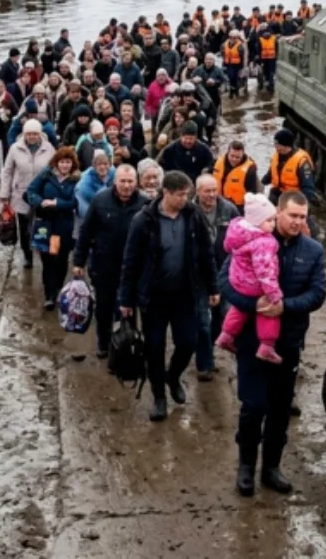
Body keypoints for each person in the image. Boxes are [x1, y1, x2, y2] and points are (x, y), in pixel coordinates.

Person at [119, 171, 217, 422]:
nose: (186, 199)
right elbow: (130, 261)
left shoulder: (194, 217)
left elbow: (206, 253)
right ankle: (159, 396)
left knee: (188, 342)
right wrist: (126, 299)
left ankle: (173, 376)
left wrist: (213, 287)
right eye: (181, 195)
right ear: (167, 193)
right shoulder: (145, 220)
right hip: (154, 297)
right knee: (154, 348)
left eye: (187, 194)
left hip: (185, 294)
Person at [74, 165, 146, 358]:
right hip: (103, 265)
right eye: (122, 181)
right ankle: (104, 344)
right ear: (115, 181)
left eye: (130, 181)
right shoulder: (100, 200)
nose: (126, 185)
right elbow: (85, 232)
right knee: (104, 309)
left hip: (132, 268)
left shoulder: (145, 204)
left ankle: (127, 345)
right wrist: (78, 261)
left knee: (128, 308)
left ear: (136, 182)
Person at [216, 194, 285, 364]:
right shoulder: (264, 242)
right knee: (268, 310)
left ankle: (225, 336)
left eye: (273, 220)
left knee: (239, 309)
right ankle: (266, 347)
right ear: (256, 221)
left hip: (238, 281)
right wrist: (273, 295)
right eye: (269, 221)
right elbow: (265, 272)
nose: (273, 224)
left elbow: (227, 248)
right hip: (255, 285)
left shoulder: (238, 231)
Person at [194, 174, 239, 379]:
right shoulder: (190, 211)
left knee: (222, 316)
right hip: (199, 275)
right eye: (207, 191)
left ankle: (210, 348)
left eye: (214, 190)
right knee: (202, 321)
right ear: (197, 192)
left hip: (224, 274)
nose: (212, 195)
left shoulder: (228, 210)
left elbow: (240, 236)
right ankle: (205, 364)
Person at [26, 147, 82, 310]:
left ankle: (58, 288)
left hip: (64, 226)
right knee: (48, 261)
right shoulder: (46, 175)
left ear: (72, 164)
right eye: (62, 162)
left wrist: (57, 203)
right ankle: (49, 295)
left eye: (68, 162)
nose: (65, 165)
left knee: (61, 260)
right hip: (46, 224)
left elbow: (74, 202)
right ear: (56, 163)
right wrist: (40, 202)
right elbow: (31, 191)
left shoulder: (77, 180)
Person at [0, 120, 57, 269]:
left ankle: (42, 251)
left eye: (35, 134)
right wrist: (4, 195)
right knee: (24, 228)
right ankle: (27, 255)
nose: (32, 137)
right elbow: (7, 172)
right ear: (24, 134)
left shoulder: (49, 148)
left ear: (40, 134)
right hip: (21, 194)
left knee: (42, 225)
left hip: (41, 195)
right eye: (29, 134)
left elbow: (55, 171)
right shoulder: (15, 148)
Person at [263, 129, 315, 205]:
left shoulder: (302, 161)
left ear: (285, 145)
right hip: (278, 195)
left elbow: (308, 188)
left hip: (293, 199)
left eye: (277, 144)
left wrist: (301, 206)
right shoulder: (276, 155)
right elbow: (269, 176)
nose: (275, 146)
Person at [213, 141, 261, 209]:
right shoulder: (219, 162)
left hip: (239, 206)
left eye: (237, 157)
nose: (234, 159)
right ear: (228, 153)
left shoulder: (250, 169)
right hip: (220, 202)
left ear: (242, 155)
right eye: (232, 156)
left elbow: (252, 193)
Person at [221, 30, 247, 98]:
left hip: (237, 65)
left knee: (236, 78)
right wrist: (223, 63)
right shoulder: (224, 44)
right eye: (230, 37)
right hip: (228, 64)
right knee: (231, 77)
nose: (232, 39)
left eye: (234, 37)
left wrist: (242, 67)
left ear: (237, 38)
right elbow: (223, 54)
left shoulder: (240, 46)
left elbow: (243, 57)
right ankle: (232, 91)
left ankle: (235, 91)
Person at [257, 28, 279, 93]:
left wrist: (276, 56)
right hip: (264, 59)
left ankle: (271, 85)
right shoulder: (260, 40)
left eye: (267, 33)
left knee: (271, 72)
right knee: (266, 72)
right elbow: (259, 50)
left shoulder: (274, 39)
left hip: (272, 58)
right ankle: (267, 83)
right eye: (265, 33)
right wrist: (259, 59)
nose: (266, 34)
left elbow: (277, 48)